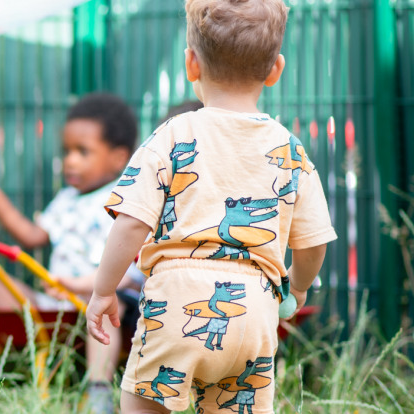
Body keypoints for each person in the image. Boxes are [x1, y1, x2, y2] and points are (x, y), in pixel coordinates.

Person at [85, 0, 336, 412]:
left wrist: (103, 290)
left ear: (191, 64)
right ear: (276, 70)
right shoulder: (289, 149)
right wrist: (300, 285)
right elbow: (314, 241)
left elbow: (131, 221)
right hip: (254, 311)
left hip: (174, 305)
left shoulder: (172, 134)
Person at [0, 93, 145, 413]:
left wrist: (87, 286)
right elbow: (31, 235)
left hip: (95, 299)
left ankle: (98, 390)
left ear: (118, 158)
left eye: (82, 152)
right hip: (54, 300)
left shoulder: (123, 200)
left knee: (108, 305)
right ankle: (25, 360)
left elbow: (129, 265)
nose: (69, 161)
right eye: (66, 151)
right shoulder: (66, 199)